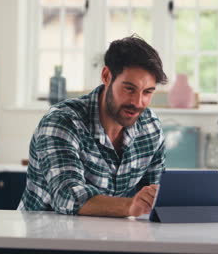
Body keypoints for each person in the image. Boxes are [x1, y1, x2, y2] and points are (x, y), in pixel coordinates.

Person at [18, 35, 168, 217]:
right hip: (42, 239)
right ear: (106, 76)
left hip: (108, 241)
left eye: (147, 92)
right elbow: (68, 196)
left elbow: (157, 198)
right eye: (129, 89)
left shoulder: (150, 127)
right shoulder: (62, 122)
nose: (137, 102)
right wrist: (130, 206)